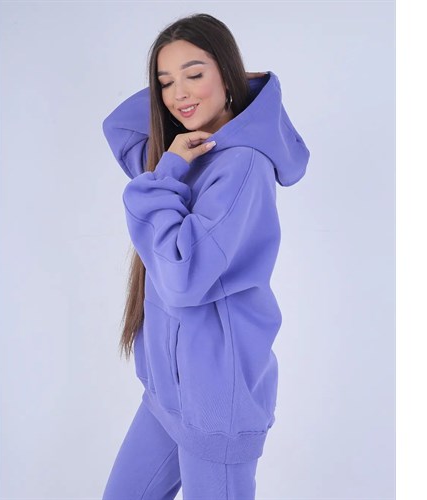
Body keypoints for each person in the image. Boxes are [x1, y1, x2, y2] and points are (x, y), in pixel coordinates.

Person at [100, 12, 310, 500]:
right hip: (168, 394)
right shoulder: (185, 152)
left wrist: (167, 170)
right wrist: (176, 150)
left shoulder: (241, 167)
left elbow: (183, 275)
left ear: (227, 74)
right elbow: (120, 127)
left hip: (216, 403)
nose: (179, 94)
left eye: (195, 74)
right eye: (165, 82)